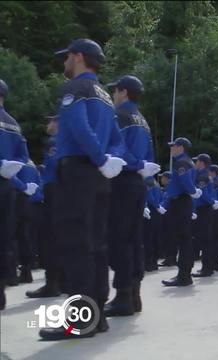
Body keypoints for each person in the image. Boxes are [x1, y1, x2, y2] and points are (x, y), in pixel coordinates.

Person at [40, 39, 127, 341]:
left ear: (77, 57)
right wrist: (107, 160)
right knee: (96, 245)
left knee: (76, 244)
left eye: (66, 57)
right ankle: (96, 315)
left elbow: (77, 126)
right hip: (99, 176)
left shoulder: (74, 90)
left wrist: (100, 157)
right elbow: (117, 138)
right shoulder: (104, 95)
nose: (64, 63)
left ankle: (79, 320)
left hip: (78, 170)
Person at [103, 75, 159, 317]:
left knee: (118, 238)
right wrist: (144, 168)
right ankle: (134, 294)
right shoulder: (142, 119)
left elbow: (117, 147)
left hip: (123, 179)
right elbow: (150, 153)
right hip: (138, 182)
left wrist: (134, 164)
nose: (113, 96)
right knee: (134, 238)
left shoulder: (120, 115)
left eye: (114, 91)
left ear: (123, 92)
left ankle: (123, 295)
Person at [0, 77, 30, 310]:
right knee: (5, 237)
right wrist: (10, 166)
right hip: (7, 185)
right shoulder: (13, 123)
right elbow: (23, 155)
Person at [26, 116, 63, 298]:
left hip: (53, 190)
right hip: (63, 192)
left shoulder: (54, 142)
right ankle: (61, 282)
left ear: (57, 123)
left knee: (50, 239)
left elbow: (55, 166)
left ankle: (52, 284)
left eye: (51, 121)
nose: (48, 124)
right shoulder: (67, 141)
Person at [161, 137, 202, 287]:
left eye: (174, 146)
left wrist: (192, 191)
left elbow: (185, 180)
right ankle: (184, 274)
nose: (171, 149)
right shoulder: (187, 162)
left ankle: (184, 275)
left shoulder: (182, 163)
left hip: (180, 202)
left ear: (181, 147)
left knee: (183, 239)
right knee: (184, 239)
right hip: (182, 202)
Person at [191, 154, 216, 277]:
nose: (195, 164)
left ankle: (207, 268)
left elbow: (203, 194)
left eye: (197, 162)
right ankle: (207, 267)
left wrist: (211, 201)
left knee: (205, 240)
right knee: (205, 239)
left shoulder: (202, 176)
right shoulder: (207, 175)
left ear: (201, 163)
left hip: (204, 209)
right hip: (205, 209)